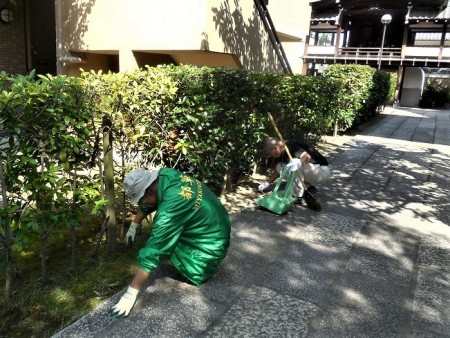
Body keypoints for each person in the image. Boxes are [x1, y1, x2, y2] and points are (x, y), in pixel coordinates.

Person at [109, 167, 231, 318]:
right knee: (169, 232)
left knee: (165, 240)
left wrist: (131, 293)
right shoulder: (165, 175)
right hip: (216, 222)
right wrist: (135, 224)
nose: (141, 204)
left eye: (141, 199)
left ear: (148, 193)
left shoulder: (171, 208)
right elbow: (149, 202)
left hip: (210, 245)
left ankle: (198, 266)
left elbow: (155, 248)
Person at [258, 137, 331, 209]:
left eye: (270, 153)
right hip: (310, 172)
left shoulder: (292, 145)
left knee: (294, 164)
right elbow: (279, 170)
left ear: (276, 148)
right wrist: (267, 183)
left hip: (321, 171)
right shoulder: (281, 153)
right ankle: (308, 188)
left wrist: (299, 162)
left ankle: (297, 196)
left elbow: (307, 156)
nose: (270, 155)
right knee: (280, 166)